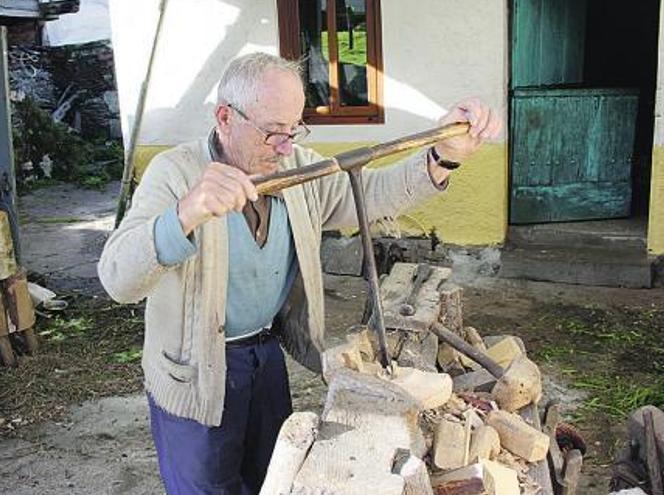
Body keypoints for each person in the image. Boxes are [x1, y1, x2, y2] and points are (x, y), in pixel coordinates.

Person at [98, 52, 502, 494]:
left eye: (294, 130)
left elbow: (371, 194)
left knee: (274, 478)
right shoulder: (174, 174)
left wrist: (442, 157)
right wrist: (184, 215)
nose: (286, 146)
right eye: (273, 132)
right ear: (225, 117)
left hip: (265, 356)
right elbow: (118, 279)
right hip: (194, 370)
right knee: (206, 485)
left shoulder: (295, 168)